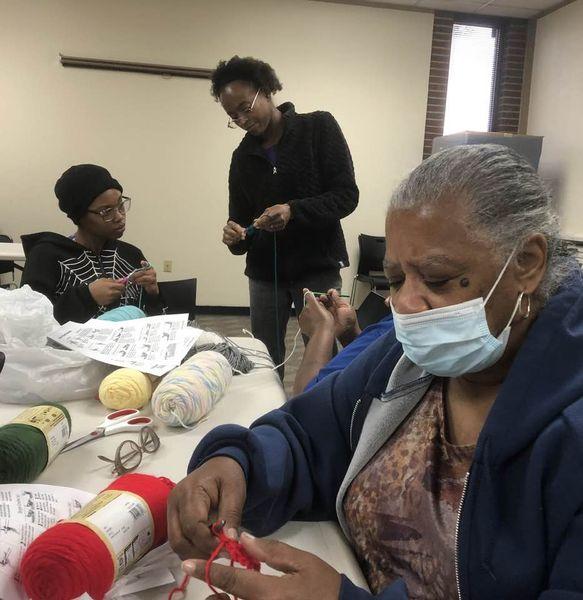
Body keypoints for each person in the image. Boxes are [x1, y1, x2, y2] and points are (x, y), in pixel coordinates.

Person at [167, 145, 583, 599]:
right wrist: (239, 464)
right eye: (397, 279)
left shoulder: (568, 431)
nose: (404, 304)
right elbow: (309, 437)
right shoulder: (405, 357)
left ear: (526, 263)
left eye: (438, 279)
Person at [213, 56, 358, 375]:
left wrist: (294, 210)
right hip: (265, 275)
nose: (240, 119)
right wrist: (234, 236)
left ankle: (323, 418)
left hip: (317, 268)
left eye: (244, 107)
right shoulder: (242, 158)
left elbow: (346, 196)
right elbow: (242, 228)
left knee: (324, 358)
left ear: (265, 90)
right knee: (264, 361)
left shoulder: (318, 128)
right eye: (231, 115)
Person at [21, 164, 164, 324]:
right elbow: (28, 323)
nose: (119, 216)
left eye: (120, 205)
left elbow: (154, 320)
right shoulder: (46, 256)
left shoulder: (131, 255)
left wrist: (153, 293)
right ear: (80, 215)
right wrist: (87, 297)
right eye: (106, 211)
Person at [293, 289, 394, 395]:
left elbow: (305, 404)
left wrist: (320, 329)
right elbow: (372, 368)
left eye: (398, 281)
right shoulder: (390, 327)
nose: (388, 301)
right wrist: (349, 334)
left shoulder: (393, 331)